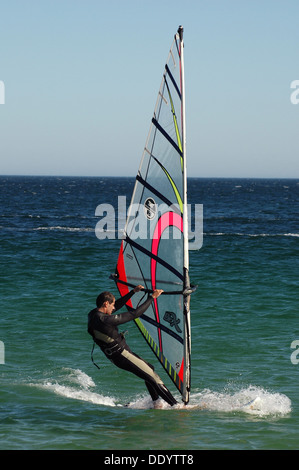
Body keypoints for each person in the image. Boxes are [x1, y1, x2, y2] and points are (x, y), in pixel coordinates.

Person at [87, 285, 177, 407]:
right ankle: (177, 406)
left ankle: (156, 402)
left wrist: (132, 292)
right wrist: (152, 298)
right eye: (112, 305)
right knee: (152, 376)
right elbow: (135, 314)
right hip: (122, 355)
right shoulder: (105, 320)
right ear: (106, 304)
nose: (114, 308)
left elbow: (116, 306)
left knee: (149, 368)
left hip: (117, 356)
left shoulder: (93, 315)